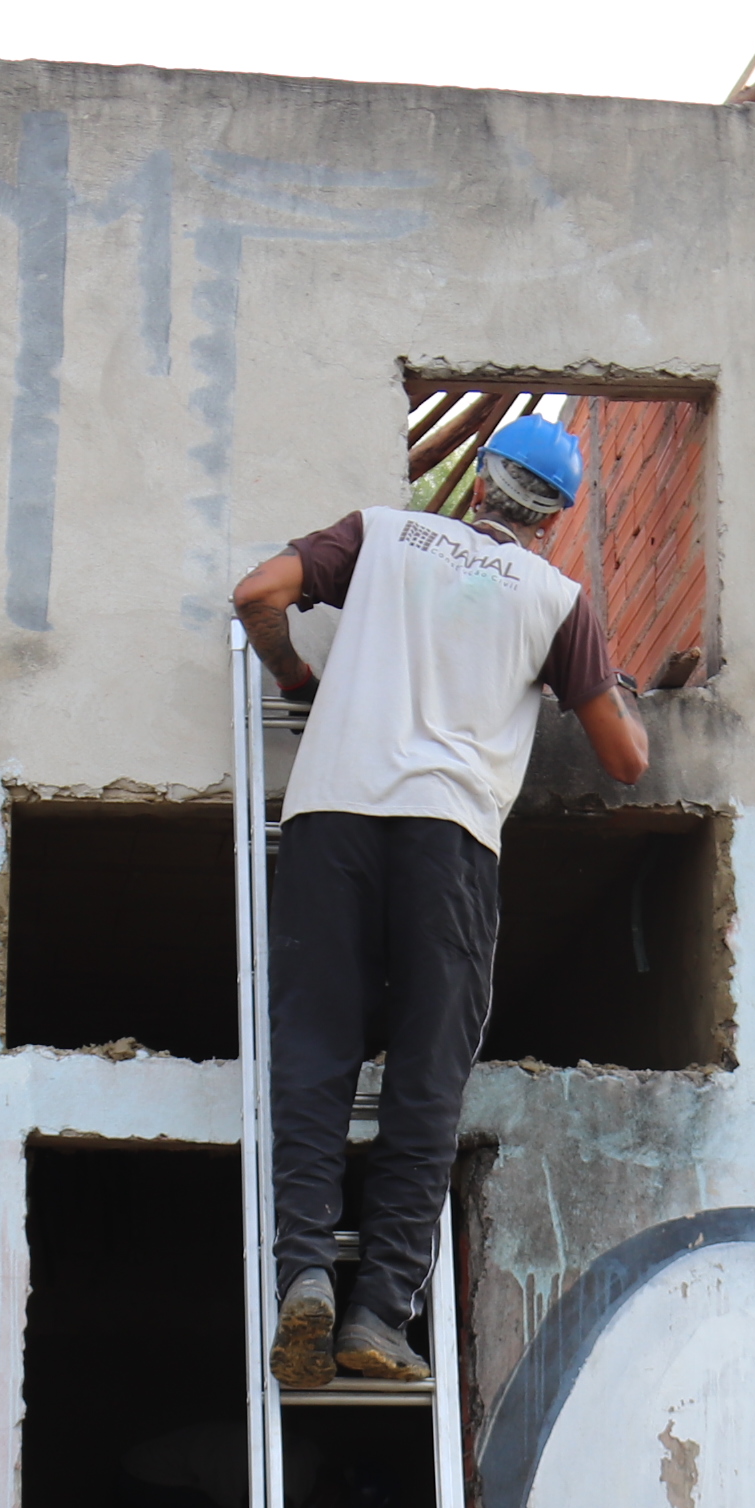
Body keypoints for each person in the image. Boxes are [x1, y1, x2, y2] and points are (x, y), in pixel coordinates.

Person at [230, 413, 649, 1387]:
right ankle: (379, 1314)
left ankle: (304, 1275)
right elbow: (626, 759)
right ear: (554, 517)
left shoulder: (382, 533)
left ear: (479, 481)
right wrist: (609, 685)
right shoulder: (558, 601)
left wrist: (294, 673)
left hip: (331, 817)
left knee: (314, 1055)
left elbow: (256, 594)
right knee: (425, 1077)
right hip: (449, 843)